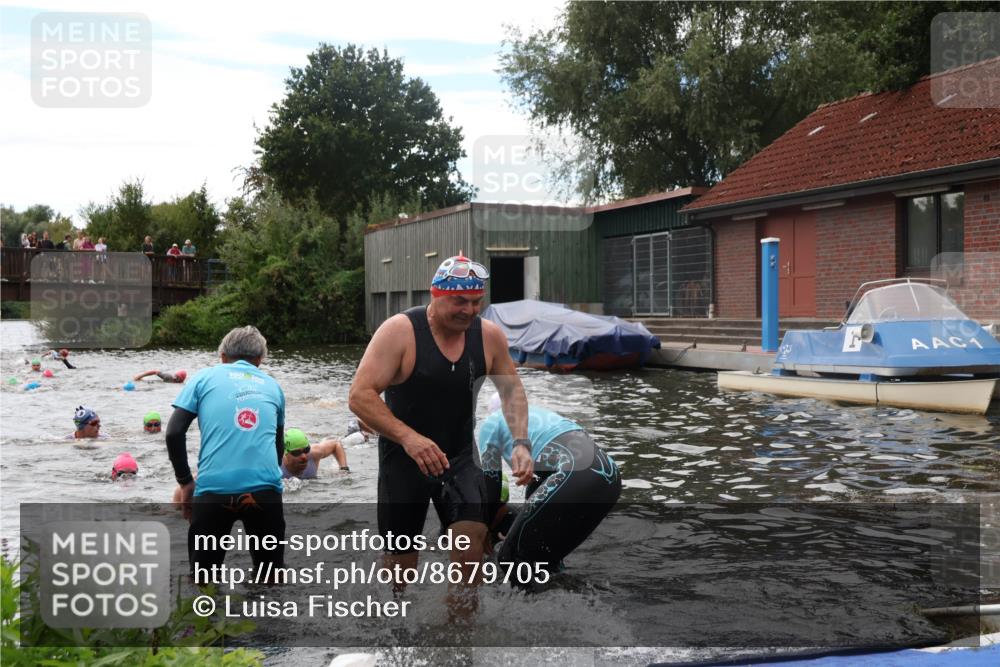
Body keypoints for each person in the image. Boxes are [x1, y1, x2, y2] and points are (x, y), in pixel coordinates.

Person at [348, 253, 530, 619]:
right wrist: (409, 438)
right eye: (459, 301)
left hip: (460, 458)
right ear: (435, 295)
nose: (469, 310)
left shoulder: (488, 336)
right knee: (401, 570)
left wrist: (521, 443)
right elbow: (360, 395)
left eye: (477, 302)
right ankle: (394, 629)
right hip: (404, 462)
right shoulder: (400, 332)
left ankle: (457, 636)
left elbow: (512, 392)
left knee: (470, 544)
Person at [166, 325, 286, 580]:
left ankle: (205, 618)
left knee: (203, 581)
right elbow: (277, 445)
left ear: (222, 356)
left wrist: (186, 482)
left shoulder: (203, 378)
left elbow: (174, 433)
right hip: (264, 491)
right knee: (271, 581)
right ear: (260, 360)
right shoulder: (273, 386)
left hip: (214, 491)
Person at [478, 395, 621, 588]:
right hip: (609, 480)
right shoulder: (547, 421)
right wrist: (519, 532)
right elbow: (539, 492)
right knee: (545, 562)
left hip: (575, 476)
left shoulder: (492, 423)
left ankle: (534, 615)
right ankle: (584, 601)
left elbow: (491, 488)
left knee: (510, 557)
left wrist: (483, 531)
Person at [280, 428, 350, 479]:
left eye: (306, 450)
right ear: (285, 454)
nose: (304, 456)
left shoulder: (313, 454)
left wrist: (344, 469)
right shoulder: (276, 466)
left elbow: (336, 444)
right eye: (296, 453)